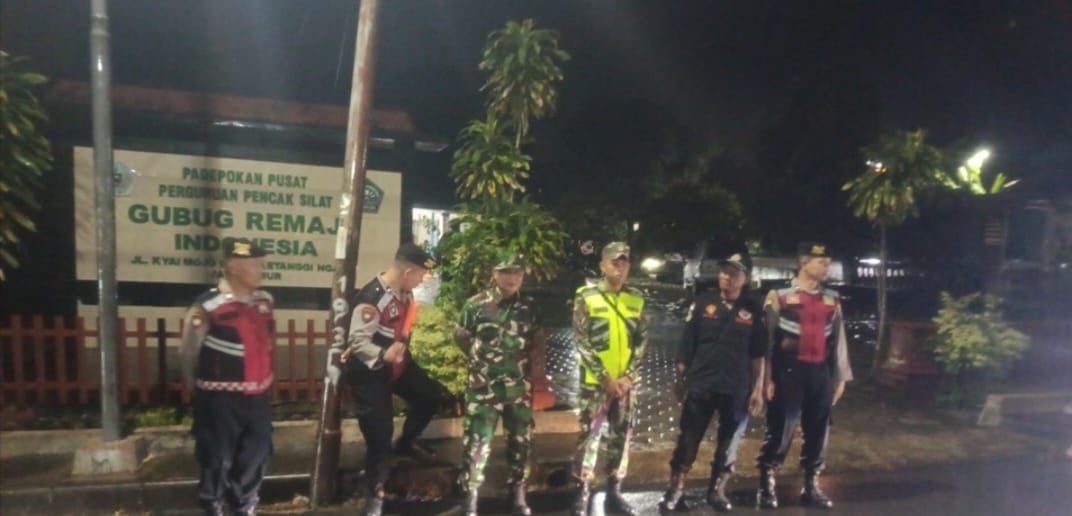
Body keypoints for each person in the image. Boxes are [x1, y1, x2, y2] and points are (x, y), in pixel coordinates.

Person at [343, 243, 447, 516]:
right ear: (407, 272)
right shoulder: (372, 298)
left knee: (429, 396)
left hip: (399, 366)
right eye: (420, 275)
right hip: (371, 373)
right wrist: (383, 354)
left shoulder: (405, 292)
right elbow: (357, 341)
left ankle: (407, 442)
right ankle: (374, 496)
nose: (422, 280)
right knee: (380, 434)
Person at [661, 251, 767, 512]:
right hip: (701, 384)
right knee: (688, 439)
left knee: (729, 443)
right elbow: (687, 344)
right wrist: (680, 378)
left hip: (736, 388)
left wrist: (758, 389)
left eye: (733, 273)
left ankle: (717, 489)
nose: (726, 277)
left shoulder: (754, 309)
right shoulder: (702, 304)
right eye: (724, 272)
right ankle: (676, 488)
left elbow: (758, 354)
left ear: (745, 278)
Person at [180, 238, 275, 516]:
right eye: (255, 264)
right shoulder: (208, 306)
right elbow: (189, 353)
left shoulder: (265, 302)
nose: (261, 270)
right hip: (220, 399)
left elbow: (267, 344)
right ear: (233, 267)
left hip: (257, 398)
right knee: (217, 457)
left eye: (261, 264)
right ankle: (213, 506)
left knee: (257, 454)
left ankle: (244, 506)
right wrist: (200, 391)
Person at [755, 242, 853, 510]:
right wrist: (766, 378)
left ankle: (811, 485)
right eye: (822, 262)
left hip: (819, 373)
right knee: (782, 427)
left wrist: (841, 378)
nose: (826, 268)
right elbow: (767, 342)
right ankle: (767, 482)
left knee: (819, 429)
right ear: (803, 262)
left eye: (828, 262)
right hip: (788, 372)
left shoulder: (832, 299)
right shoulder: (779, 296)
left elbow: (839, 341)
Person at [454, 251, 540, 516]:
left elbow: (536, 341)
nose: (511, 278)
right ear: (494, 273)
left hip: (518, 388)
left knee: (521, 442)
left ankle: (518, 493)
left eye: (517, 272)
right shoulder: (476, 305)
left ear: (523, 276)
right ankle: (470, 499)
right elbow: (461, 336)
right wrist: (483, 364)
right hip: (484, 389)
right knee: (477, 443)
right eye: (505, 272)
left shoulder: (529, 308)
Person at [570, 242, 648, 516]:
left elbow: (641, 342)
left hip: (626, 386)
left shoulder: (636, 298)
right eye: (614, 261)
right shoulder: (586, 296)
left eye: (624, 261)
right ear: (602, 265)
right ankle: (582, 491)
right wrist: (605, 378)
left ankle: (615, 490)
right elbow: (582, 340)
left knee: (621, 437)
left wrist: (628, 377)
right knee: (589, 437)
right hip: (596, 383)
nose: (620, 266)